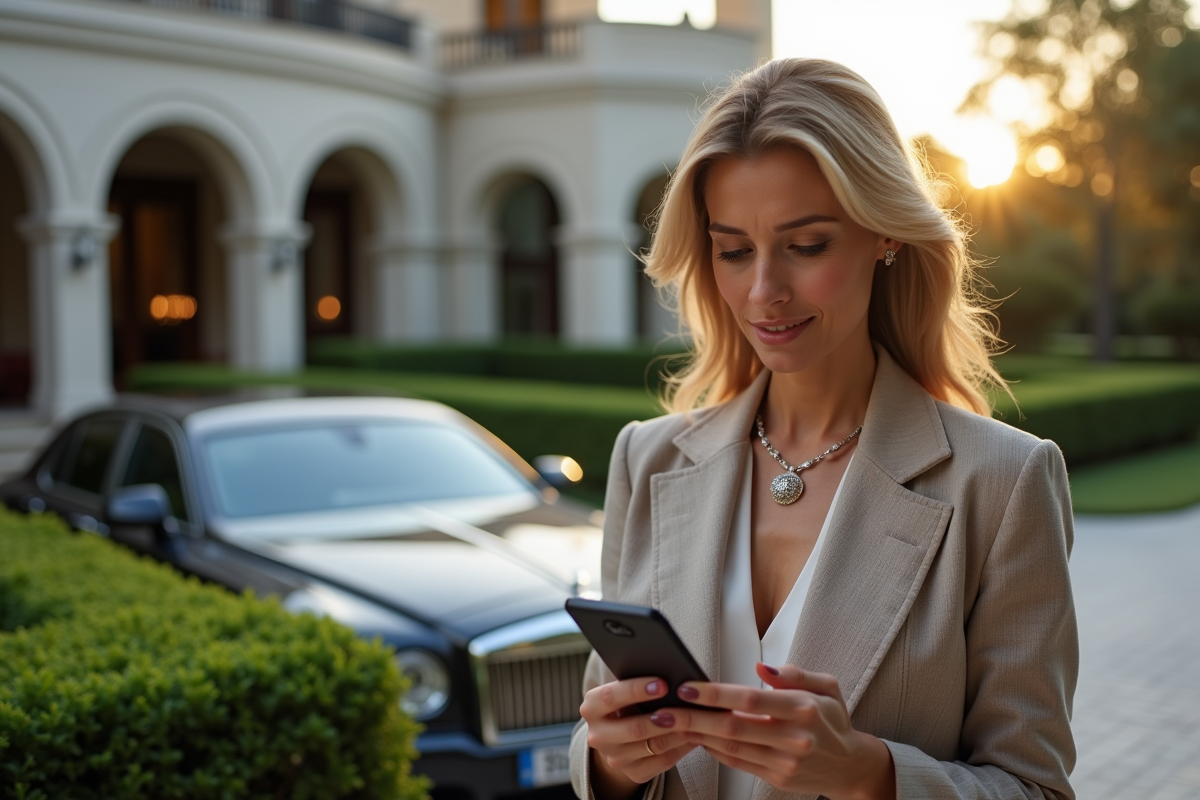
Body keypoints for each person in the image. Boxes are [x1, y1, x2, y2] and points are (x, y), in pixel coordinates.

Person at [569, 58, 1077, 800]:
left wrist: (870, 774)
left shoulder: (1003, 483)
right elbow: (599, 735)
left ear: (885, 236)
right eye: (733, 250)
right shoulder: (644, 460)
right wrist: (611, 762)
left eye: (806, 246)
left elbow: (1035, 788)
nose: (764, 292)